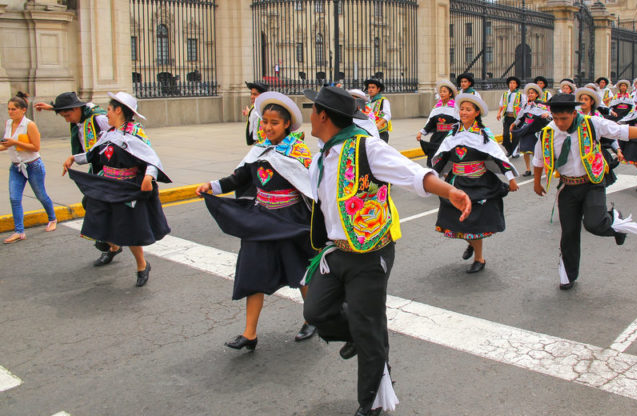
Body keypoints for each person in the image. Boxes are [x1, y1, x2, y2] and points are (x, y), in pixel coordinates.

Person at [301, 87, 471, 416]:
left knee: (367, 328)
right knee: (317, 312)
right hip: (336, 252)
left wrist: (450, 190)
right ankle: (365, 337)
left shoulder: (367, 147)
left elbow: (413, 174)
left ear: (323, 115)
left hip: (370, 254)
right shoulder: (322, 155)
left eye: (312, 110)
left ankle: (371, 402)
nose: (309, 116)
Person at [196, 92, 317, 349]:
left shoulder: (298, 152)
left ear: (287, 125)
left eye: (274, 122)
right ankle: (250, 334)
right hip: (260, 219)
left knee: (299, 273)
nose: (268, 127)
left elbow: (312, 187)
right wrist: (213, 186)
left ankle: (312, 318)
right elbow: (238, 178)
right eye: (265, 122)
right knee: (253, 273)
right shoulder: (259, 149)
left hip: (288, 221)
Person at [532, 94, 637, 290]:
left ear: (574, 113)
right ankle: (568, 276)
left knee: (594, 224)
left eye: (564, 118)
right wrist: (537, 182)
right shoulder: (548, 133)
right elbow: (538, 160)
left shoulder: (592, 124)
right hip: (567, 187)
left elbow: (621, 131)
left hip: (592, 183)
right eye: (555, 118)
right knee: (569, 234)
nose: (559, 123)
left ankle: (615, 220)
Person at [62, 92, 169, 287]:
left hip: (126, 188)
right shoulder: (109, 133)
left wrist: (148, 176)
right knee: (99, 218)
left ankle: (142, 265)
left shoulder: (135, 133)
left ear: (118, 110)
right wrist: (74, 159)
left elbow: (152, 159)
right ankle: (112, 247)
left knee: (128, 228)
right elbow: (93, 153)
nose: (107, 114)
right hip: (107, 185)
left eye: (109, 110)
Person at [432, 93, 519, 273]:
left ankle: (479, 258)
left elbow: (499, 157)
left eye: (468, 110)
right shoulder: (454, 132)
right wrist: (432, 176)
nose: (463, 112)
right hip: (456, 183)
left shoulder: (483, 134)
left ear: (476, 112)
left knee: (473, 223)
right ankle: (471, 242)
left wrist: (510, 178)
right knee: (454, 220)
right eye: (462, 109)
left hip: (478, 182)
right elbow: (443, 156)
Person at [34, 92, 115, 264]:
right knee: (94, 204)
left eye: (68, 115)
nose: (66, 120)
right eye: (63, 116)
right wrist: (52, 108)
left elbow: (119, 132)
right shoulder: (79, 119)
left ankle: (109, 241)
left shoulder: (98, 119)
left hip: (110, 168)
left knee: (92, 203)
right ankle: (111, 243)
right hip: (96, 166)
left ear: (77, 108)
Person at [1, 92, 57, 243]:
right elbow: (6, 144)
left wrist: (15, 143)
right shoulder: (8, 124)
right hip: (16, 167)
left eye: (14, 109)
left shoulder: (29, 125)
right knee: (14, 198)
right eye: (9, 109)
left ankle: (52, 218)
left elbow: (35, 146)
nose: (11, 112)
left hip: (33, 166)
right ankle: (19, 231)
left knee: (41, 195)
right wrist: (8, 144)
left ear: (23, 110)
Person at [576, 87, 623, 186]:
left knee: (596, 182)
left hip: (594, 152)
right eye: (581, 99)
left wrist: (618, 149)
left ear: (592, 102)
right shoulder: (574, 116)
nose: (583, 101)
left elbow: (610, 133)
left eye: (586, 99)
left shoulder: (597, 116)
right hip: (577, 152)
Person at [416, 79, 459, 167]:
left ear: (450, 94)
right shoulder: (436, 107)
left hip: (449, 136)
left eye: (444, 91)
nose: (442, 93)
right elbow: (430, 123)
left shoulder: (455, 107)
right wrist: (421, 132)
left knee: (448, 158)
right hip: (437, 136)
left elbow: (460, 122)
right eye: (441, 92)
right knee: (434, 156)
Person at [511, 83, 551, 176]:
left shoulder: (541, 105)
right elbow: (520, 116)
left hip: (535, 130)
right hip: (525, 129)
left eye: (532, 93)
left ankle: (538, 167)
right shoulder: (526, 105)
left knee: (535, 150)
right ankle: (528, 169)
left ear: (537, 94)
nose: (530, 94)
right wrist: (514, 124)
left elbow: (548, 114)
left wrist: (547, 115)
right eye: (529, 93)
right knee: (525, 149)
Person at [496, 76, 524, 156]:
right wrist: (499, 113)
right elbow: (501, 105)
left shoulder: (520, 95)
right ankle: (510, 149)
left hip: (515, 117)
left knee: (515, 135)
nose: (511, 85)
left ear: (516, 85)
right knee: (505, 135)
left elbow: (523, 107)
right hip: (507, 116)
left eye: (513, 83)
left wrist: (520, 118)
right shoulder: (505, 94)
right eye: (510, 83)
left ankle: (514, 151)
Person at [243, 81, 269, 146]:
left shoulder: (266, 108)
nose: (252, 96)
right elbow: (255, 117)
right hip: (255, 142)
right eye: (251, 94)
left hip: (264, 143)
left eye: (255, 94)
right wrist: (248, 113)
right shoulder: (253, 107)